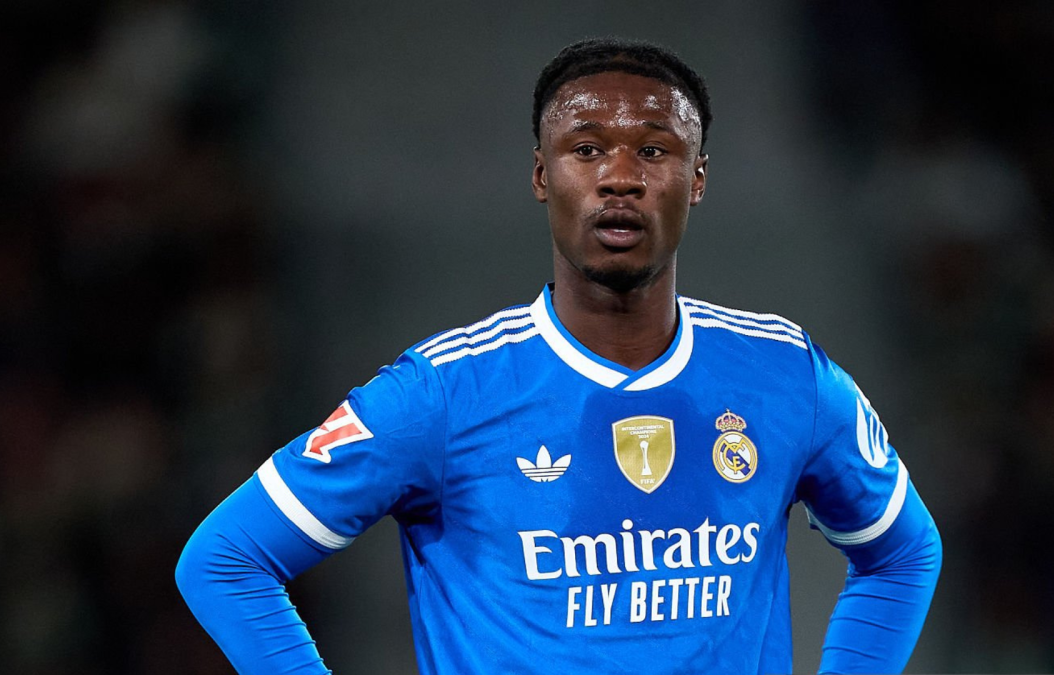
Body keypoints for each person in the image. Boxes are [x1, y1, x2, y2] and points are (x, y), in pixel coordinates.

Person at [176, 37, 941, 674]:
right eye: (586, 149)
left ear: (697, 179)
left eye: (654, 149)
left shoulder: (785, 375)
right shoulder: (444, 392)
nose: (619, 177)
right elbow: (226, 558)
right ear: (543, 176)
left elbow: (903, 552)